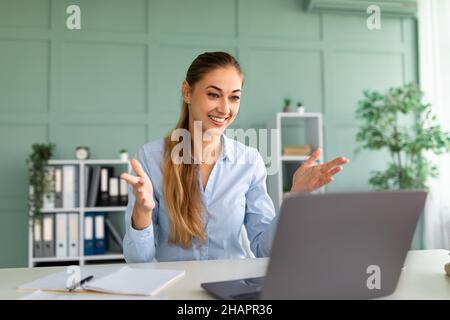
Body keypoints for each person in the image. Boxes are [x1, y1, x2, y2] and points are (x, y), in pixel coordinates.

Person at [121, 51, 349, 263]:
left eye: (234, 98)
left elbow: (264, 249)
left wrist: (295, 196)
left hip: (232, 291)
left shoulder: (249, 162)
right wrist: (142, 212)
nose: (224, 108)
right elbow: (137, 260)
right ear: (187, 92)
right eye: (213, 94)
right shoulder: (151, 158)